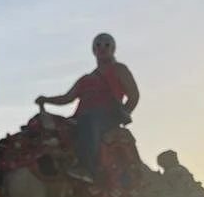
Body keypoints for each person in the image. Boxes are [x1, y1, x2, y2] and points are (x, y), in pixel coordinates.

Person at [35, 33, 139, 182]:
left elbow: (134, 95)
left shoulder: (119, 69)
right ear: (94, 50)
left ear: (113, 49)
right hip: (81, 116)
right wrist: (46, 100)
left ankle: (87, 169)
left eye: (106, 45)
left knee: (88, 120)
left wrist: (122, 114)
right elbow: (67, 98)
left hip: (104, 117)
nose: (102, 48)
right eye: (98, 45)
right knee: (48, 125)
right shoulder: (86, 79)